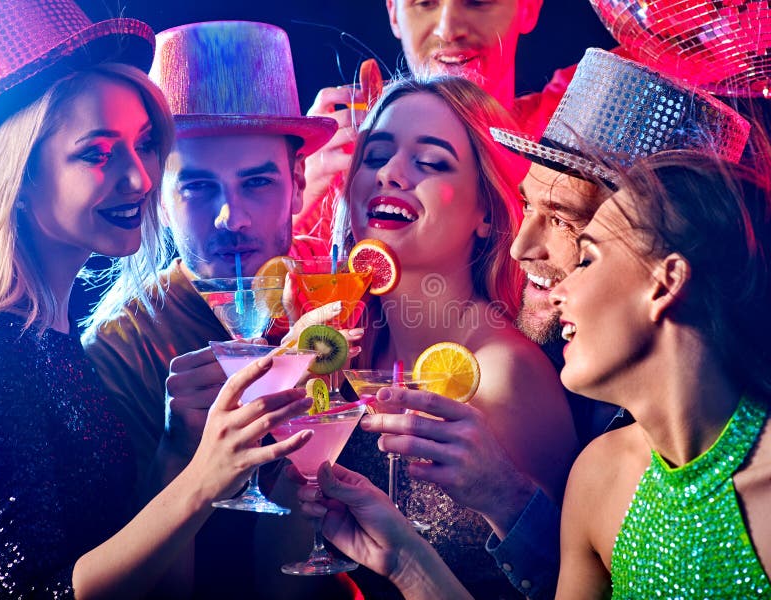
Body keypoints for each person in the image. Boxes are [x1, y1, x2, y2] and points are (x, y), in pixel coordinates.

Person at [351, 48, 752, 598]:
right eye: (526, 206)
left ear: (668, 273)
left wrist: (506, 498)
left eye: (570, 226)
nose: (520, 246)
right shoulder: (603, 463)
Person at [0, 2, 314, 597]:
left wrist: (176, 451)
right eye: (98, 153)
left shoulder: (47, 334)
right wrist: (204, 476)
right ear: (18, 177)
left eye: (144, 144)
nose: (139, 179)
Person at [81, 21, 360, 599]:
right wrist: (176, 451)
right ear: (157, 191)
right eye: (197, 187)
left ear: (298, 181)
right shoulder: (118, 346)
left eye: (257, 182)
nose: (230, 217)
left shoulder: (336, 303)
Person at [324, 74, 578, 599]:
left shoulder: (505, 375)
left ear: (486, 212)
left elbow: (566, 581)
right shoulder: (340, 352)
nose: (391, 173)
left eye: (431, 162)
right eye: (375, 156)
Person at [552, 149, 771, 597]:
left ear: (666, 282)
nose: (559, 291)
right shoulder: (599, 477)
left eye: (587, 260)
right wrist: (405, 561)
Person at [294, 0, 576, 241]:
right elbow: (269, 290)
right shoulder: (345, 168)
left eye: (478, 0)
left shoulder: (573, 119)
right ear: (393, 11)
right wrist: (291, 201)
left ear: (528, 7)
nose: (449, 30)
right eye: (425, 2)